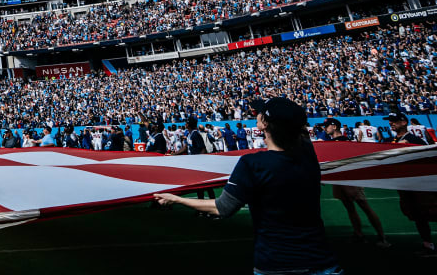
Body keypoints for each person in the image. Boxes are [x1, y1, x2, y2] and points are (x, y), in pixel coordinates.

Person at [153, 97, 339, 275]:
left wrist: (177, 199)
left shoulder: (253, 164)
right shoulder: (309, 157)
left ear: (264, 124)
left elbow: (222, 208)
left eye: (259, 113)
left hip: (276, 263)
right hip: (323, 262)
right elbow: (300, 133)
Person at [322, 118, 389, 248]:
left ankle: (382, 237)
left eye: (327, 126)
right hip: (339, 178)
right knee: (350, 208)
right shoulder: (336, 141)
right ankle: (358, 234)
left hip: (348, 178)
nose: (325, 128)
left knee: (364, 206)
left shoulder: (344, 141)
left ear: (334, 126)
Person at [385, 111, 436, 257]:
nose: (390, 123)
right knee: (417, 215)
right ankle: (428, 245)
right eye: (390, 120)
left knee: (430, 211)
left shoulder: (413, 139)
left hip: (419, 185)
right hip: (406, 184)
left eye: (394, 120)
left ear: (403, 122)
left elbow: (426, 158)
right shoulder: (394, 140)